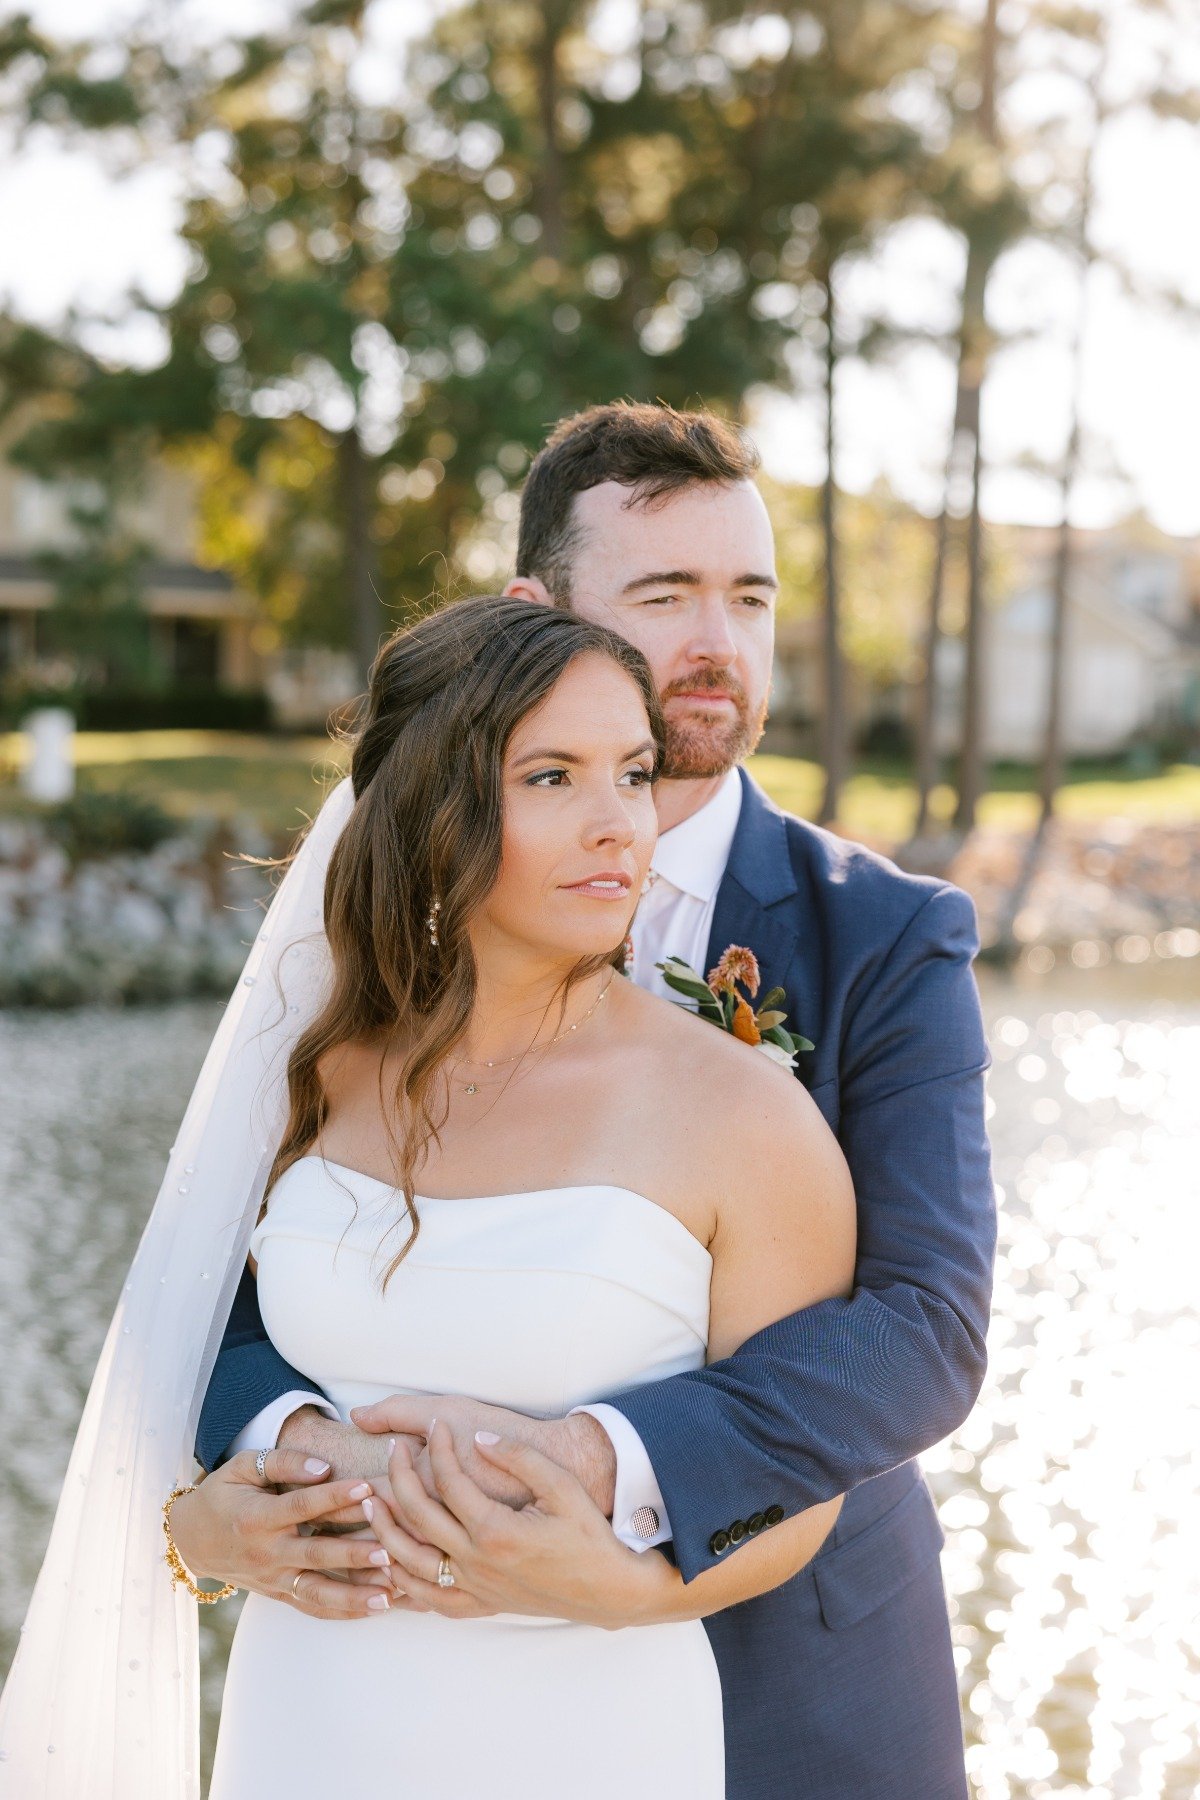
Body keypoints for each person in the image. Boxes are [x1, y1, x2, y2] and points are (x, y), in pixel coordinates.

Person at [184, 402, 996, 1799]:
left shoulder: (887, 937)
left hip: (802, 1662)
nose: (718, 644)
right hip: (377, 1666)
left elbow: (924, 1324)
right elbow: (218, 1291)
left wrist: (587, 1464)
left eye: (750, 596)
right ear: (533, 615)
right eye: (664, 595)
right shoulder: (346, 986)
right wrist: (275, 1468)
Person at [203, 593, 853, 1792]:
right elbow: (191, 1344)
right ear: (432, 804)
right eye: (551, 777)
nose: (618, 824)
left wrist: (628, 1589)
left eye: (636, 772)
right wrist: (207, 1525)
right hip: (306, 1713)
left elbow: (798, 1488)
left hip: (586, 1724)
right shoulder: (313, 1071)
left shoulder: (745, 1118)